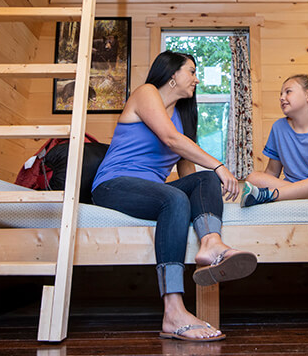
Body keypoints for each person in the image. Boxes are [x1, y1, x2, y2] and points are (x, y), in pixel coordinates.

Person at [91, 50, 257, 342]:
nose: (196, 78)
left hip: (150, 191)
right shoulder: (146, 93)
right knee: (176, 197)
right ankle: (173, 311)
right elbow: (170, 139)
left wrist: (207, 192)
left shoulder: (183, 116)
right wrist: (219, 165)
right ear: (172, 75)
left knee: (202, 179)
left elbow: (188, 176)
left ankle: (211, 243)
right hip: (113, 185)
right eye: (191, 71)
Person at [242, 74, 308, 207]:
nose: (282, 97)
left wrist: (269, 191)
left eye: (288, 92)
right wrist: (260, 182)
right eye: (281, 94)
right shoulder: (279, 127)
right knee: (253, 178)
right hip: (303, 189)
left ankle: (272, 195)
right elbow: (272, 172)